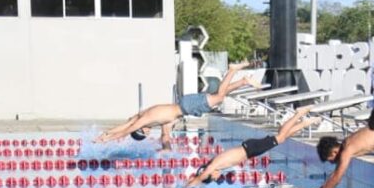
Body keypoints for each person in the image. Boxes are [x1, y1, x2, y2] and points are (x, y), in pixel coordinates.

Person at [96, 61, 261, 143]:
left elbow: (129, 129)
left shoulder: (146, 120)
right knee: (217, 96)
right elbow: (128, 124)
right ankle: (243, 82)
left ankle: (232, 70)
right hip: (184, 105)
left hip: (185, 107)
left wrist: (110, 139)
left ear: (143, 131)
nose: (148, 134)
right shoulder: (149, 117)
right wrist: (107, 133)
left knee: (218, 97)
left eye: (145, 134)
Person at [186, 106, 320, 187]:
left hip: (251, 149)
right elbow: (204, 174)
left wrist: (192, 184)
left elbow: (203, 174)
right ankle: (305, 122)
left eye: (214, 178)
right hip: (250, 149)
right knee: (282, 137)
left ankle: (300, 113)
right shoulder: (216, 165)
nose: (216, 177)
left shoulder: (214, 165)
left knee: (280, 137)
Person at [295, 128, 374, 188]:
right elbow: (334, 175)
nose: (331, 163)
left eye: (330, 160)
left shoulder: (347, 150)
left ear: (334, 152)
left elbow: (336, 178)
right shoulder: (346, 146)